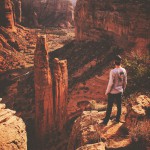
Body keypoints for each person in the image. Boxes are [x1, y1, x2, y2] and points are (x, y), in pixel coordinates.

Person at [102, 55, 127, 125]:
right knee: (119, 106)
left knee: (109, 107)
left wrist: (107, 91)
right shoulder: (124, 70)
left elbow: (110, 83)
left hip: (112, 92)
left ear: (114, 62)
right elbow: (125, 82)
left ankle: (105, 121)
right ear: (121, 62)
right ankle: (117, 119)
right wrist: (123, 89)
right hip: (120, 91)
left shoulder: (113, 71)